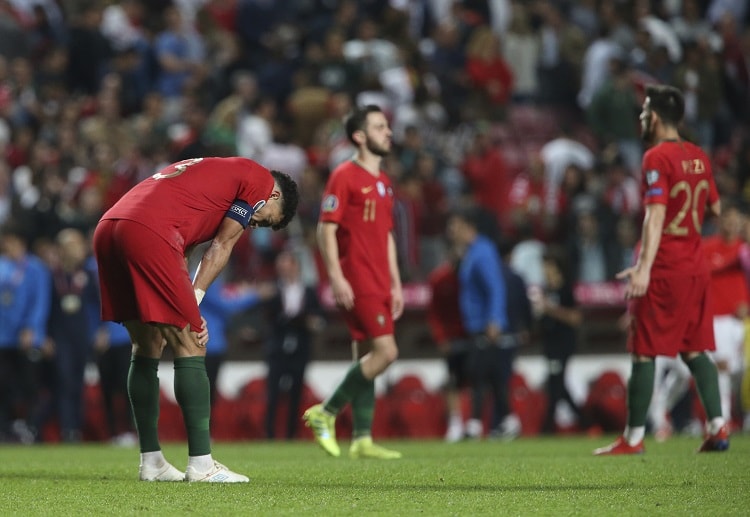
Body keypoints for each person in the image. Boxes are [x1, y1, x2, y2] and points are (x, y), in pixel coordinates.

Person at [93, 156, 298, 481]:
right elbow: (221, 245)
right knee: (191, 342)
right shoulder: (259, 181)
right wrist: (193, 302)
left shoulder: (214, 174)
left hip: (110, 228)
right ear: (274, 197)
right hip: (150, 230)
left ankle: (152, 462)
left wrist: (186, 298)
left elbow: (183, 249)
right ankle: (202, 465)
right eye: (268, 220)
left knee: (147, 344)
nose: (257, 225)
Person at [594, 84, 728, 455]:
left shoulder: (656, 157)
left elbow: (655, 215)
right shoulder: (699, 155)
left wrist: (643, 268)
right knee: (695, 349)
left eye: (642, 113)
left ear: (653, 116)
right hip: (696, 266)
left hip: (667, 266)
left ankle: (633, 439)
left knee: (643, 351)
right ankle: (718, 428)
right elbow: (715, 208)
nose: (640, 119)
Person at [302, 104, 404, 460]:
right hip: (358, 276)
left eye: (387, 125)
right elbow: (325, 227)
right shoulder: (344, 175)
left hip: (379, 279)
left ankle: (362, 437)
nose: (387, 132)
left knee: (366, 354)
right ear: (359, 136)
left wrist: (396, 282)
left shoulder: (384, 183)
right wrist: (336, 275)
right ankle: (325, 413)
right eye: (379, 127)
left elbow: (387, 235)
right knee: (386, 352)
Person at [445, 207, 508, 440]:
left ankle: (475, 425)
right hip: (475, 324)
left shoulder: (482, 251)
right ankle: (507, 421)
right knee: (489, 376)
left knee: (480, 374)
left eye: (456, 227)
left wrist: (495, 319)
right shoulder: (471, 252)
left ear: (468, 227)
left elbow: (495, 287)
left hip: (485, 324)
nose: (452, 232)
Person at [264, 250, 324, 440]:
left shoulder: (309, 291)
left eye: (287, 265)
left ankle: (292, 434)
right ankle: (270, 434)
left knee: (296, 393)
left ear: (295, 266)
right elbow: (265, 317)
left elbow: (321, 316)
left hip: (300, 346)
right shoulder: (273, 290)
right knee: (273, 393)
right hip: (277, 347)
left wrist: (311, 321)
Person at [0, 222, 51, 442]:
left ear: (21, 243)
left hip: (27, 337)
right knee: (3, 384)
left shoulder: (36, 268)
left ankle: (31, 426)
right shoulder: (1, 266)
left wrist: (31, 327)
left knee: (30, 385)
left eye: (10, 241)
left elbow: (41, 301)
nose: (6, 246)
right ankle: (5, 428)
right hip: (3, 337)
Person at [534, 248, 586, 434]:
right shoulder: (546, 290)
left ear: (556, 268)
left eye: (547, 265)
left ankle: (547, 428)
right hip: (549, 343)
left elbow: (575, 318)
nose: (544, 270)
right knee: (558, 384)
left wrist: (550, 309)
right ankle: (586, 421)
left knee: (555, 385)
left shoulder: (566, 290)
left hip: (563, 344)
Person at [426, 248, 470, 443]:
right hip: (452, 340)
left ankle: (473, 422)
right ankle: (455, 423)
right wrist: (441, 338)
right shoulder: (439, 280)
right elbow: (434, 313)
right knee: (453, 381)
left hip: (473, 335)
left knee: (476, 380)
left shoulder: (472, 277)